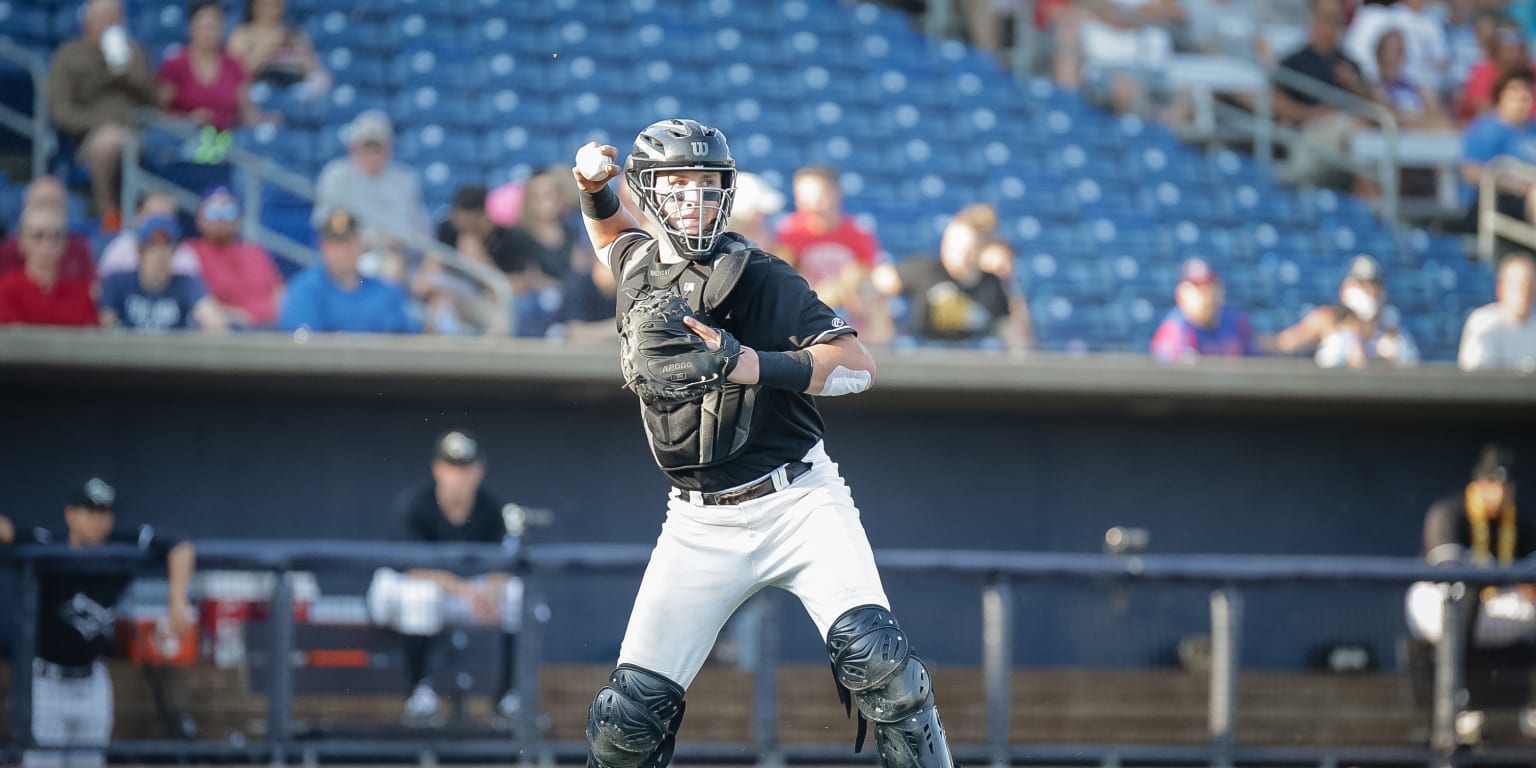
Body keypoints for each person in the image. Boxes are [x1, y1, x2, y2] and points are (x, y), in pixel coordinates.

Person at [570, 119, 955, 768]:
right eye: (679, 185)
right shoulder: (636, 264)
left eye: (708, 185)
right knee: (626, 720)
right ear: (646, 190)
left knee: (879, 663)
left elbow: (857, 365)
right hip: (696, 521)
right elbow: (611, 232)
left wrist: (753, 364)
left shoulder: (759, 276)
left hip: (797, 500)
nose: (696, 200)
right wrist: (589, 188)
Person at [0, 477, 196, 767]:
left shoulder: (121, 546)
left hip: (93, 682)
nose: (100, 521)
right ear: (71, 515)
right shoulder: (49, 545)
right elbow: (6, 531)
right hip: (45, 683)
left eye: (105, 512)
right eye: (91, 512)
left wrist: (177, 597)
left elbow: (181, 545)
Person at [366, 430, 526, 728]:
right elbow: (411, 566)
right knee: (422, 595)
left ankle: (508, 697)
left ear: (480, 471)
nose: (460, 476)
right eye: (453, 467)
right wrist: (469, 592)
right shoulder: (415, 503)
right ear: (438, 469)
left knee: (516, 595)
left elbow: (506, 563)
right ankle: (419, 696)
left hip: (455, 597)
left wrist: (489, 593)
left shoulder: (490, 508)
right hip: (394, 592)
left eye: (467, 468)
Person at [46, 0, 162, 232]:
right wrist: (99, 124)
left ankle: (152, 216)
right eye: (105, 18)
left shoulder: (135, 53)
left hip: (137, 133)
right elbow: (61, 111)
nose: (112, 23)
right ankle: (109, 214)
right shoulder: (68, 55)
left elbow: (156, 102)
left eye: (117, 18)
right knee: (106, 142)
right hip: (88, 139)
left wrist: (132, 71)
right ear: (87, 23)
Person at [1406, 444, 1536, 648]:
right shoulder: (1448, 513)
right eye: (1492, 483)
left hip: (1492, 608)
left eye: (1506, 485)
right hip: (1438, 602)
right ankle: (1452, 674)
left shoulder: (1520, 521)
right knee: (1465, 590)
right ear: (1478, 482)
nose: (1500, 492)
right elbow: (1450, 571)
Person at [872, 215, 1025, 351]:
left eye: (963, 247)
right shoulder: (926, 270)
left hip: (974, 363)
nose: (952, 251)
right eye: (950, 243)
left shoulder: (992, 284)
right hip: (925, 355)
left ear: (976, 250)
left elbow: (1008, 330)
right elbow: (878, 281)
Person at [774, 166, 892, 344]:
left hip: (851, 302)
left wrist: (851, 285)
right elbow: (782, 277)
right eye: (804, 198)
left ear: (836, 193)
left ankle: (873, 349)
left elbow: (872, 275)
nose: (812, 206)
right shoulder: (790, 232)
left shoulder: (856, 231)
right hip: (809, 302)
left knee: (874, 299)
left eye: (819, 197)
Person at [312, 110, 432, 276]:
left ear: (389, 148)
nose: (371, 154)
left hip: (403, 259)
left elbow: (423, 234)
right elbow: (325, 225)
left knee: (400, 269)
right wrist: (361, 240)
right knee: (382, 269)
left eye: (377, 147)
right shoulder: (336, 175)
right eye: (366, 147)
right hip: (353, 257)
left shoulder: (404, 178)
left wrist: (400, 242)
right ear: (352, 148)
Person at [1271, 0, 1369, 189]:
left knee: (1364, 129)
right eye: (1327, 18)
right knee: (1353, 129)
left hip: (1349, 132)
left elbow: (1371, 105)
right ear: (1313, 20)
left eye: (1338, 20)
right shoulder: (1295, 61)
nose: (1333, 25)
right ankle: (1378, 208)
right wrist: (1315, 113)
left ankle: (1376, 209)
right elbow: (1277, 105)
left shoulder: (1348, 62)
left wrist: (1354, 85)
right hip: (1310, 134)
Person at [278, 207, 420, 334]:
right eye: (336, 243)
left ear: (360, 243)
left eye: (349, 241)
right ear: (323, 247)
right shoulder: (305, 289)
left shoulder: (386, 291)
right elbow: (304, 348)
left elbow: (408, 339)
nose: (344, 250)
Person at [1270, 253, 1418, 368]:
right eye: (1362, 284)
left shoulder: (1390, 326)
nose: (1369, 291)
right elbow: (1286, 344)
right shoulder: (1328, 318)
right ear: (1346, 287)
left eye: (1373, 284)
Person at [98, 215, 227, 333]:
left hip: (173, 356)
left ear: (174, 251)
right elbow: (106, 325)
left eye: (166, 246)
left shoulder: (187, 283)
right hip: (127, 356)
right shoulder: (117, 281)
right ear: (141, 250)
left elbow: (212, 321)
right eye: (153, 245)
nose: (160, 254)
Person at [157, 1, 270, 132]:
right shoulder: (176, 64)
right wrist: (187, 119)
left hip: (224, 138)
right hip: (183, 136)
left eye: (214, 27)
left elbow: (246, 112)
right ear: (191, 27)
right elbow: (159, 112)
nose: (209, 33)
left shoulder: (234, 66)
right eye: (204, 27)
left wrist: (265, 120)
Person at [185, 187, 284, 328]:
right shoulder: (190, 252)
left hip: (270, 328)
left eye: (228, 212)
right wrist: (238, 317)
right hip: (227, 333)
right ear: (199, 218)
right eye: (213, 212)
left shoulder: (255, 252)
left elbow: (278, 293)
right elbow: (197, 303)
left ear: (238, 218)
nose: (220, 218)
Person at [1460, 69, 1536, 237]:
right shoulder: (1486, 128)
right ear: (1501, 96)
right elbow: (1471, 172)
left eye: (1528, 95)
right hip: (1496, 201)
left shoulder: (1533, 130)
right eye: (1518, 96)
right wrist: (1519, 186)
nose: (1525, 102)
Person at [0, 206, 98, 327]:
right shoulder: (6, 289)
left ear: (65, 243)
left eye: (56, 236)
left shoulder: (81, 295)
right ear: (22, 241)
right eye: (39, 235)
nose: (47, 243)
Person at [1150, 258, 1259, 362]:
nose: (1207, 293)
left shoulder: (1236, 322)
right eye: (1198, 287)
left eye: (1211, 284)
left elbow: (1253, 366)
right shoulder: (1175, 330)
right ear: (1181, 294)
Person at [0, 176, 98, 286]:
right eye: (41, 205)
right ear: (25, 208)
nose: (48, 211)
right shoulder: (7, 250)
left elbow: (92, 290)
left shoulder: (79, 250)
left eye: (54, 205)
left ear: (66, 210)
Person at [226, 0, 329, 97]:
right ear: (254, 6)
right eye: (265, 4)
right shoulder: (243, 33)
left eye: (276, 4)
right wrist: (268, 47)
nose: (271, 10)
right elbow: (234, 75)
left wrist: (303, 56)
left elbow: (316, 72)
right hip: (258, 94)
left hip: (293, 92)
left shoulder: (293, 34)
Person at [97, 192, 202, 278]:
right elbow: (104, 288)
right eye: (153, 215)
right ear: (138, 217)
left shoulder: (184, 253)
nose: (158, 223)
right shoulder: (121, 247)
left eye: (165, 216)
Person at [1460, 253, 1536, 371]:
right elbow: (1476, 379)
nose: (1525, 293)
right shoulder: (1484, 323)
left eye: (1530, 286)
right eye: (1519, 285)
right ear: (1501, 288)